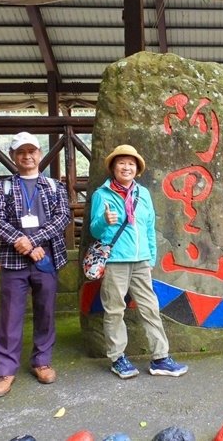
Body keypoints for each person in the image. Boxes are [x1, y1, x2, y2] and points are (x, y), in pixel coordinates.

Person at [90, 144, 188, 379]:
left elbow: (149, 228)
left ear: (137, 169)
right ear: (113, 167)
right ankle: (117, 358)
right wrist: (104, 220)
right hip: (115, 261)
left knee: (150, 308)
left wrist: (151, 256)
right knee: (114, 310)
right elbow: (95, 230)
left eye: (131, 163)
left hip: (141, 260)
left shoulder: (142, 194)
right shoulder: (101, 194)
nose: (126, 167)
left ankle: (160, 358)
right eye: (121, 163)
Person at [0, 132, 71, 398]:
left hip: (46, 258)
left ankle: (42, 361)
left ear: (39, 154)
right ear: (13, 156)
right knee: (10, 315)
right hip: (14, 260)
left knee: (45, 311)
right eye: (21, 152)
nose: (27, 156)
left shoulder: (54, 186)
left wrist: (32, 241)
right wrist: (19, 241)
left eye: (31, 151)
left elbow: (62, 218)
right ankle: (5, 369)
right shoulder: (2, 187)